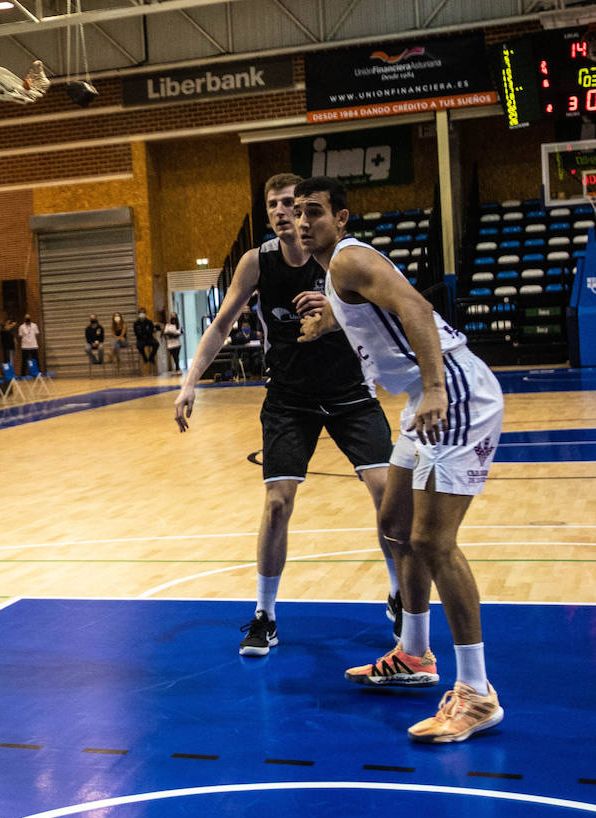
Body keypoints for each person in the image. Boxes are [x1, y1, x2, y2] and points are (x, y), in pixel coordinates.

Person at [294, 175, 506, 743]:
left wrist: (435, 387)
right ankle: (414, 654)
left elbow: (413, 306)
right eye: (297, 212)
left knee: (434, 541)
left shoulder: (348, 260)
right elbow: (378, 316)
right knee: (396, 525)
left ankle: (477, 693)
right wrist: (330, 321)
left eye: (315, 211)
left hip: (451, 392)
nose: (302, 219)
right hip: (423, 397)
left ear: (341, 218)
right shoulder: (337, 273)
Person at [174, 173, 397, 658]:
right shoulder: (258, 262)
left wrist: (336, 311)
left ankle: (399, 592)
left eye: (290, 205)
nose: (280, 212)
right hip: (289, 395)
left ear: (305, 212)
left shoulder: (338, 257)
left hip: (349, 390)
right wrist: (190, 379)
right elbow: (222, 322)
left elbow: (386, 310)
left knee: (387, 494)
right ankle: (265, 615)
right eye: (273, 204)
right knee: (277, 503)